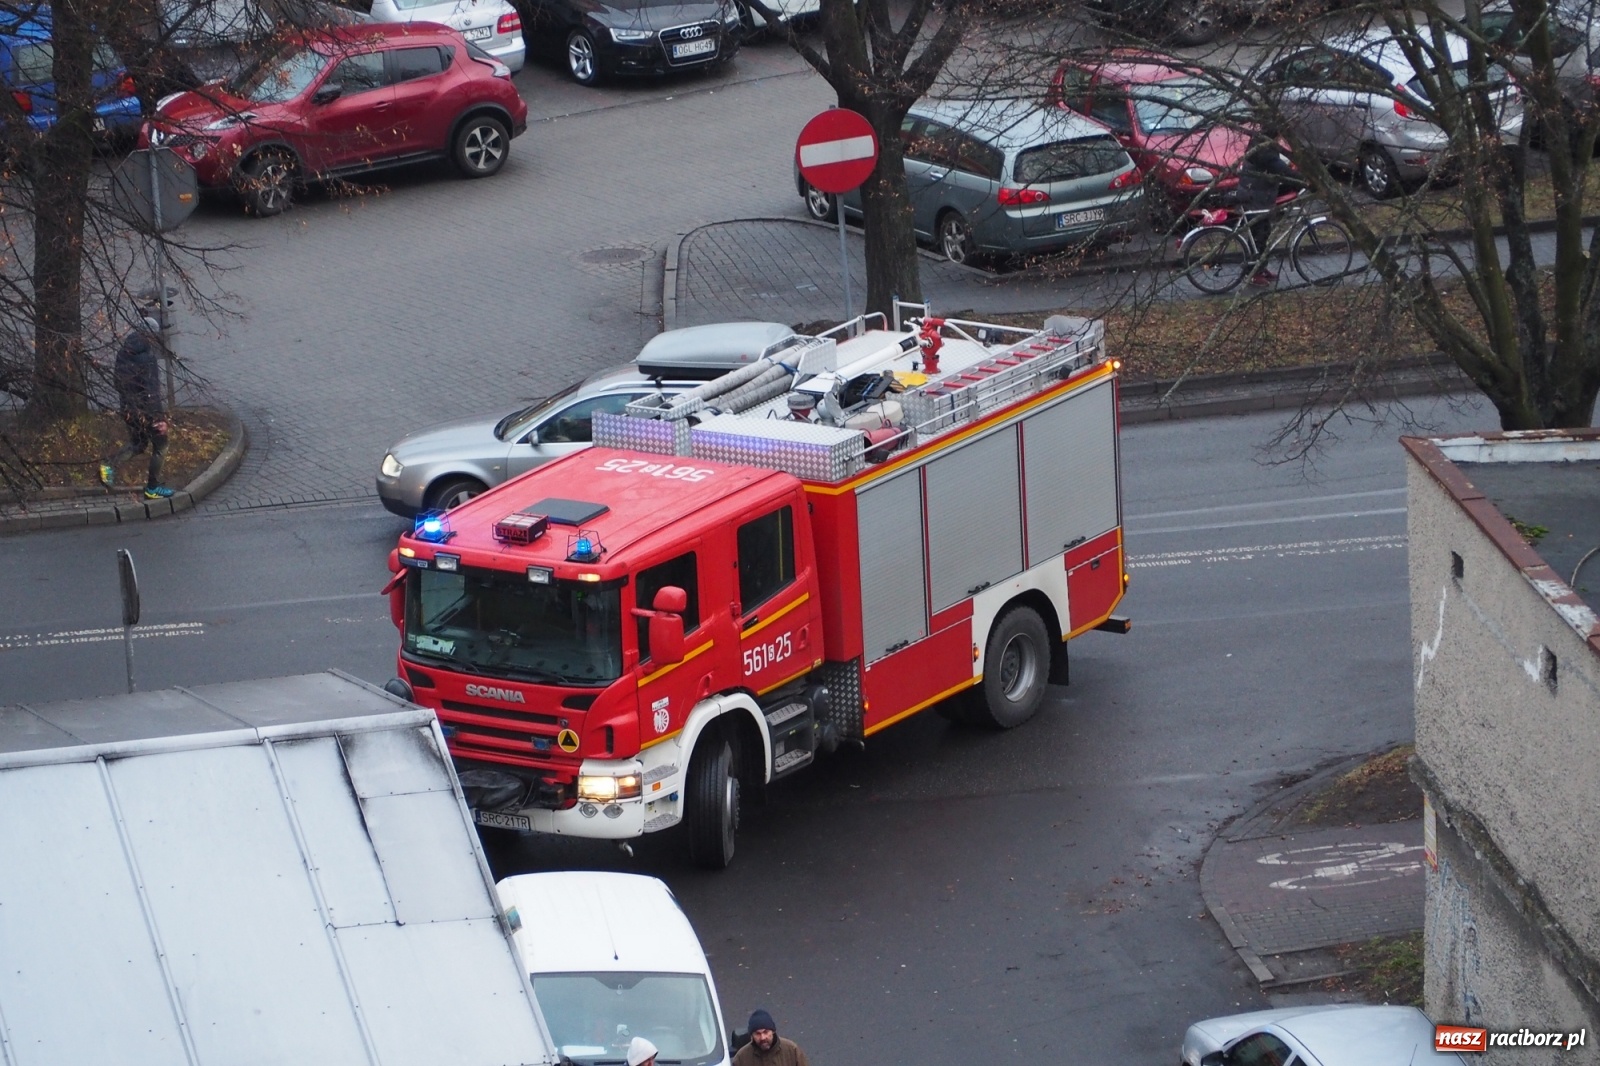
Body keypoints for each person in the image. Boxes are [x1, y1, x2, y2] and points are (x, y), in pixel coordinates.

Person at [99, 314, 175, 499]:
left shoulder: (124, 352)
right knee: (161, 446)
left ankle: (109, 465)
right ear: (151, 335)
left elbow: (118, 382)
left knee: (139, 443)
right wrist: (159, 419)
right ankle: (152, 488)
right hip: (146, 412)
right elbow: (151, 392)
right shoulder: (147, 358)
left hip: (128, 409)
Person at [1236, 136, 1300, 287]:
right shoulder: (1264, 151)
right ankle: (1254, 273)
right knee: (1258, 234)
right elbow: (1279, 168)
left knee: (1264, 232)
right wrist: (1302, 180)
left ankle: (1260, 267)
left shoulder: (1262, 144)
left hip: (1261, 195)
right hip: (1254, 196)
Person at [733, 1009, 809, 1066]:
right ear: (752, 1035)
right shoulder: (741, 1058)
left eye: (765, 1032)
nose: (762, 1037)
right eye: (757, 1034)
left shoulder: (792, 1051)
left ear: (773, 1031)